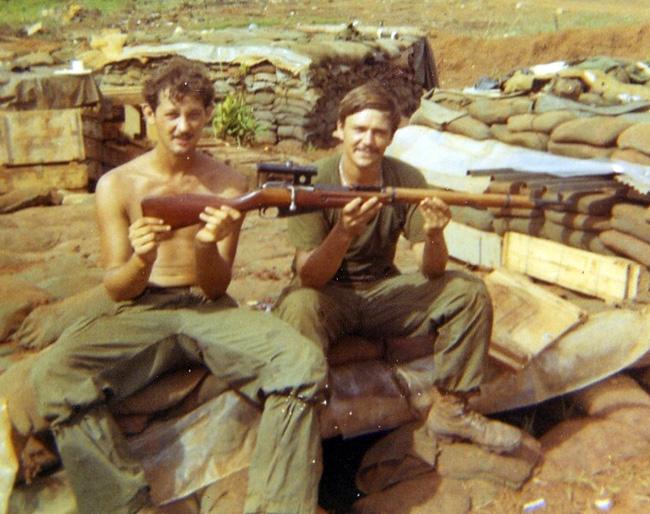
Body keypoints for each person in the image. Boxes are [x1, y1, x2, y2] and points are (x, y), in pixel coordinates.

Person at [28, 56, 327, 514]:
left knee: (302, 361)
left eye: (193, 114)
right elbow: (116, 287)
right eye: (171, 113)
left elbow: (214, 287)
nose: (183, 126)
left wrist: (207, 245)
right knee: (54, 375)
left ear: (208, 114)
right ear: (149, 115)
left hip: (209, 309)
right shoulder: (117, 185)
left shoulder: (229, 184)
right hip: (141, 310)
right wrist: (142, 258)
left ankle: (276, 505)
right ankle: (124, 504)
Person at [273, 82, 522, 454]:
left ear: (391, 137)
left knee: (468, 291)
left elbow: (433, 270)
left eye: (379, 132)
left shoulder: (406, 180)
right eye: (359, 129)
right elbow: (309, 275)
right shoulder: (315, 182)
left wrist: (436, 235)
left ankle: (453, 410)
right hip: (327, 295)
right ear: (339, 129)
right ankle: (305, 419)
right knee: (297, 306)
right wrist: (343, 232)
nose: (368, 141)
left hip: (382, 294)